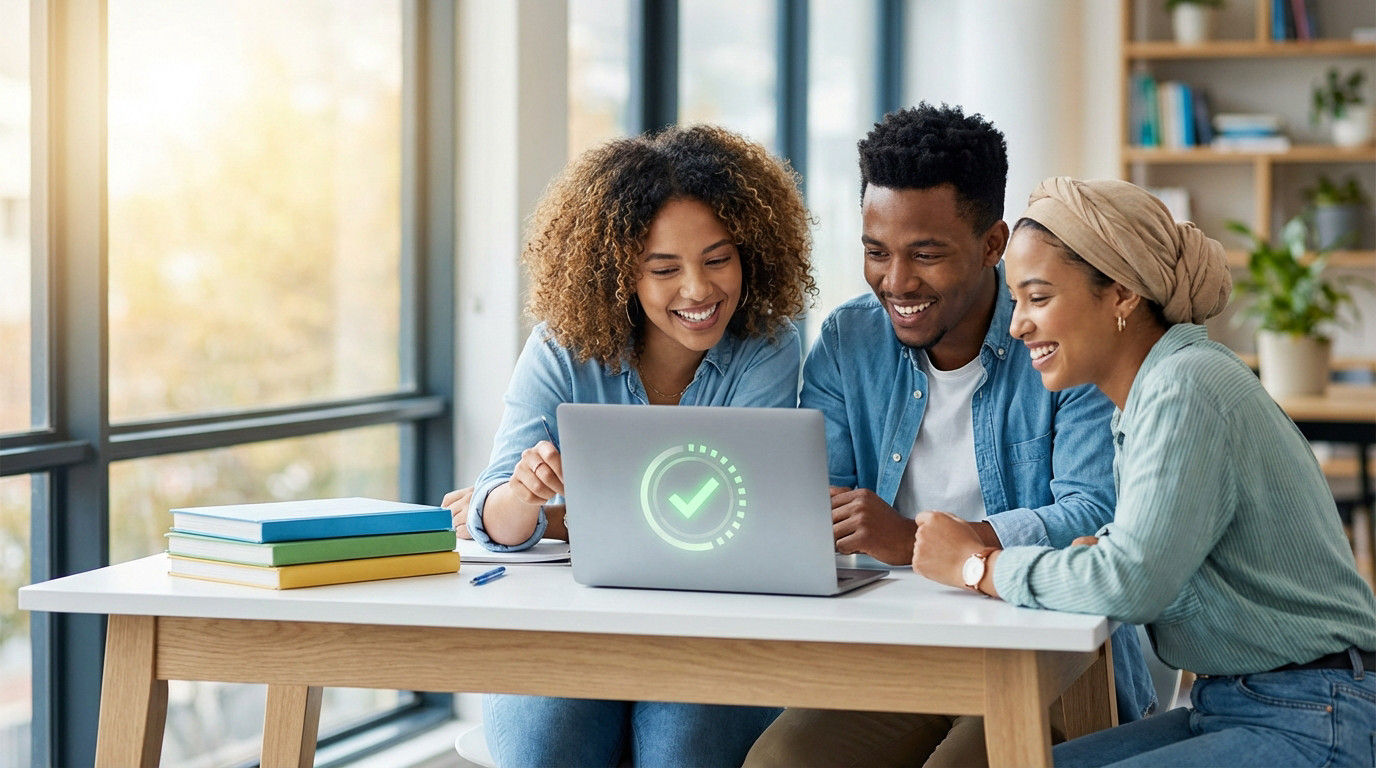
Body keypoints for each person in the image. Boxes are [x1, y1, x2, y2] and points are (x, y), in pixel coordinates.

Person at [913, 176, 1376, 767]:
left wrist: (976, 565)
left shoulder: (1184, 389)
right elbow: (1146, 557)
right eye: (1016, 300)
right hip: (1243, 702)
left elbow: (1129, 582)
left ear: (1122, 294)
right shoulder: (1152, 393)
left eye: (1039, 297)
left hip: (1316, 715)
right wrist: (1099, 555)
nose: (1017, 324)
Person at [744, 104, 1155, 768]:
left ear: (994, 245)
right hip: (898, 645)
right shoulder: (849, 341)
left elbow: (1098, 514)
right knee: (781, 761)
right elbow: (820, 498)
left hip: (1042, 646)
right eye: (876, 253)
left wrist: (918, 543)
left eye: (925, 255)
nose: (896, 282)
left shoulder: (1061, 341)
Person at [443, 123, 817, 768]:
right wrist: (523, 499)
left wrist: (569, 518)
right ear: (621, 275)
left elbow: (741, 521)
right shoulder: (562, 347)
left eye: (718, 259)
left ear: (750, 254)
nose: (698, 290)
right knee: (545, 743)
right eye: (664, 269)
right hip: (573, 629)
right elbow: (493, 521)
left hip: (711, 633)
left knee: (684, 746)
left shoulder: (768, 344)